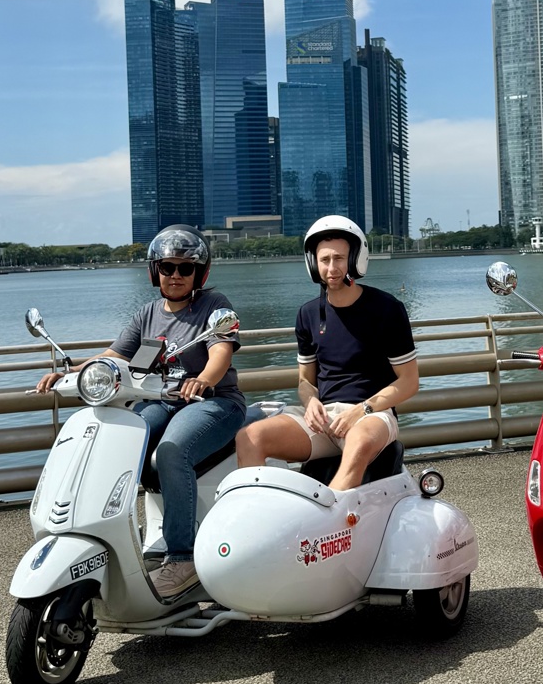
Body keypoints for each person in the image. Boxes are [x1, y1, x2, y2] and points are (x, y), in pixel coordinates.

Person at [36, 224, 245, 597]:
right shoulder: (148, 313)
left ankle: (183, 557)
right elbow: (115, 356)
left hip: (213, 403)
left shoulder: (215, 306)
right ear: (155, 271)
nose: (176, 275)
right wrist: (70, 373)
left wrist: (204, 380)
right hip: (161, 402)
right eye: (167, 267)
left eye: (185, 268)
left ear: (200, 273)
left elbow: (220, 353)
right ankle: (110, 535)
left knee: (172, 450)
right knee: (120, 437)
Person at [235, 215, 418, 490]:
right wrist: (310, 404)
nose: (331, 268)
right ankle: (255, 524)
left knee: (359, 442)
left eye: (339, 258)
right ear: (313, 264)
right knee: (250, 437)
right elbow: (306, 381)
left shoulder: (386, 309)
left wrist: (361, 410)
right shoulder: (307, 314)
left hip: (370, 415)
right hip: (323, 420)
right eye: (324, 260)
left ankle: (329, 521)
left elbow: (409, 381)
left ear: (356, 259)